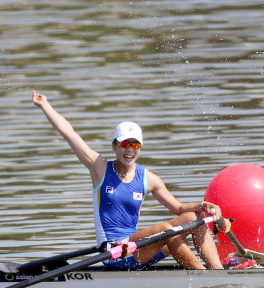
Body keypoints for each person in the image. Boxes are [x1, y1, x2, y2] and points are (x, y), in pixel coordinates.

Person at [32, 91, 224, 270]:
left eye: (135, 145)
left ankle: (218, 272)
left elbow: (179, 209)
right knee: (166, 229)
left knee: (194, 219)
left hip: (141, 249)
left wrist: (204, 205)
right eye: (124, 144)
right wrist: (45, 105)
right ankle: (202, 277)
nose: (129, 150)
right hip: (114, 254)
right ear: (114, 146)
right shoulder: (99, 168)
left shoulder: (149, 178)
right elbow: (69, 133)